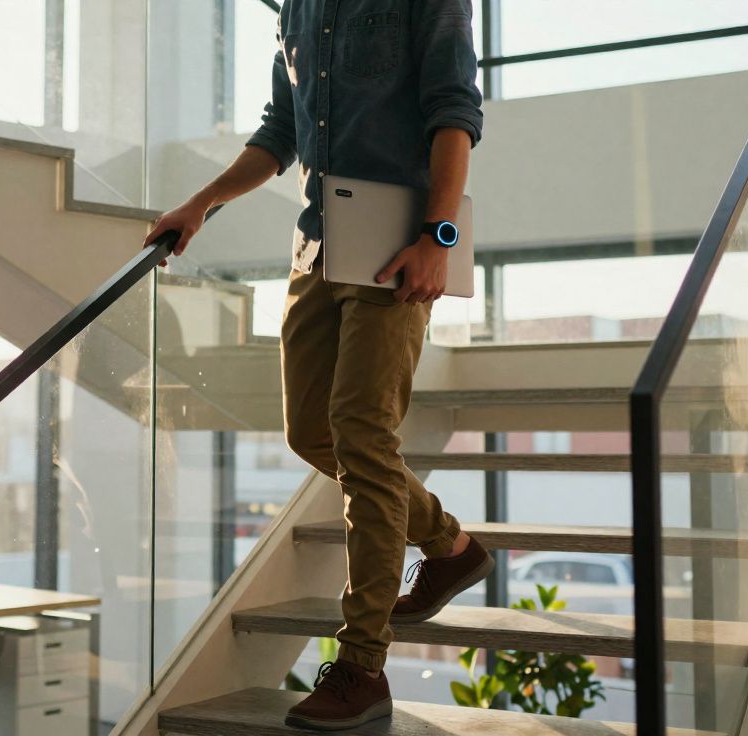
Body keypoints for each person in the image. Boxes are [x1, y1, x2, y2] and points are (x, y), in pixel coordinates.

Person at [144, 0, 491, 729]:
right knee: (314, 435)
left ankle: (361, 665)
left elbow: (454, 110)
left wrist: (441, 233)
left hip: (400, 243)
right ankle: (450, 545)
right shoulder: (297, 7)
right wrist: (203, 202)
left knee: (364, 434)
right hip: (318, 244)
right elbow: (281, 131)